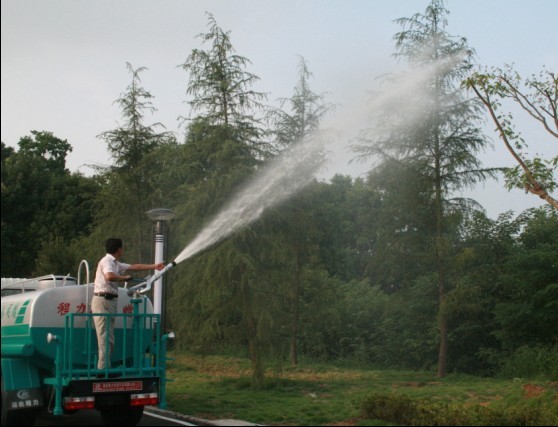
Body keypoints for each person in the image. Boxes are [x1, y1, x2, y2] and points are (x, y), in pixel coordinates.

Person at [92, 237, 164, 374]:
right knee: (105, 338)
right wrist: (124, 278)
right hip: (103, 301)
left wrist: (155, 266)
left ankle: (105, 368)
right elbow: (109, 276)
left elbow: (135, 267)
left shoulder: (115, 263)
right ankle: (103, 371)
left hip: (109, 301)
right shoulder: (107, 261)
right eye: (122, 247)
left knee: (109, 338)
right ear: (119, 249)